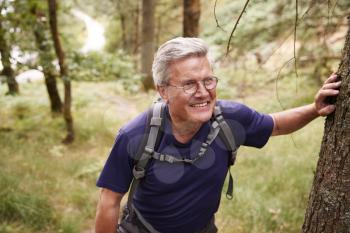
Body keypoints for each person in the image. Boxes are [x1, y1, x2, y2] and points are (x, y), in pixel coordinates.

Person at [95, 37, 341, 233]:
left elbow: (275, 124)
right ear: (163, 91)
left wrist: (314, 109)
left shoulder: (231, 119)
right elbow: (109, 202)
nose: (203, 92)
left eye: (208, 80)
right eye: (189, 84)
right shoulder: (135, 135)